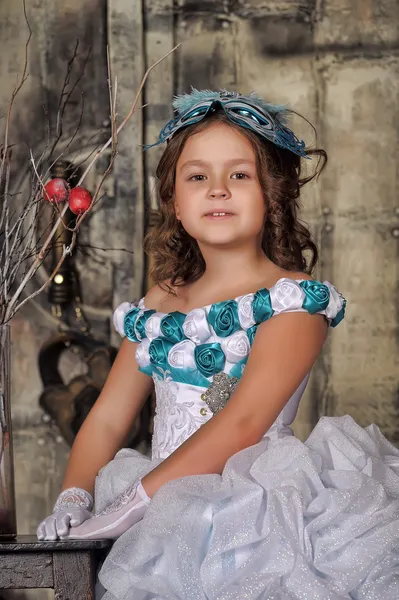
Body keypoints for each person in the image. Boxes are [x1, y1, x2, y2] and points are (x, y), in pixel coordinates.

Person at [37, 89, 399, 599]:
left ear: (272, 195)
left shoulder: (294, 302)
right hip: (157, 513)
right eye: (198, 177)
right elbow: (109, 416)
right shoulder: (160, 303)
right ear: (176, 205)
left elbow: (245, 421)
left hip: (255, 516)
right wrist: (74, 496)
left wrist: (134, 504)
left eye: (240, 175)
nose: (218, 191)